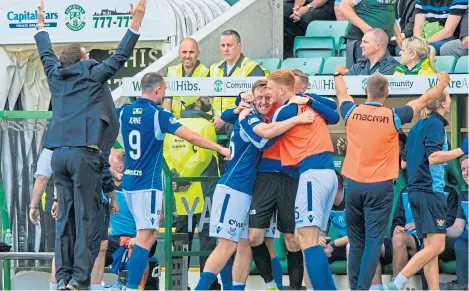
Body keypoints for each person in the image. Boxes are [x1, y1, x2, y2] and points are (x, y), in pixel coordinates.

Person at [34, 0, 144, 287]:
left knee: (65, 220)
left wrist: (41, 26)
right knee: (87, 219)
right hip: (85, 155)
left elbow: (45, 52)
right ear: (83, 59)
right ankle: (79, 280)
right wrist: (135, 24)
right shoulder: (93, 75)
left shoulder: (55, 76)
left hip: (58, 154)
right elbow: (119, 57)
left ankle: (62, 279)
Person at [333, 64, 451, 290]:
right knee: (373, 242)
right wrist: (443, 83)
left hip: (354, 186)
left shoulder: (351, 112)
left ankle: (354, 287)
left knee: (356, 242)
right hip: (379, 187)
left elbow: (341, 93)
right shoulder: (392, 115)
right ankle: (361, 289)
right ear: (386, 94)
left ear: (366, 92)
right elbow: (425, 100)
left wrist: (338, 75)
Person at [194, 80, 315, 291]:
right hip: (232, 188)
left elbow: (236, 114)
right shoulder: (248, 117)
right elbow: (264, 140)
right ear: (253, 100)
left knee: (245, 247)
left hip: (248, 191)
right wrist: (296, 121)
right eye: (259, 97)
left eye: (268, 97)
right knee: (226, 245)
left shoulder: (254, 115)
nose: (264, 101)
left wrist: (240, 101)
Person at [117, 72, 230, 291]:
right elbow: (191, 136)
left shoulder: (124, 111)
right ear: (158, 90)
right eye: (164, 90)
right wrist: (219, 147)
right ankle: (130, 287)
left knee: (146, 234)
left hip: (129, 182)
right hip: (147, 185)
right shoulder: (158, 114)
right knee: (145, 236)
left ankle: (132, 285)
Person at [244, 70, 339, 291]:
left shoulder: (284, 111)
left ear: (283, 90)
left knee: (306, 242)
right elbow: (334, 115)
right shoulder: (310, 105)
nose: (268, 91)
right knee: (312, 241)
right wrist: (308, 101)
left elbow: (265, 136)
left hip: (311, 174)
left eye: (270, 88)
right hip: (328, 174)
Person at [383, 90, 468, 290]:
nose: (450, 102)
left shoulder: (417, 127)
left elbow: (403, 163)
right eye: (448, 98)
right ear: (441, 103)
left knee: (430, 249)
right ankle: (396, 284)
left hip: (415, 192)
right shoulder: (436, 124)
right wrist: (462, 150)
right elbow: (434, 157)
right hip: (430, 192)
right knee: (436, 246)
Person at [163, 96, 221, 289]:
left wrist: (177, 178)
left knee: (180, 239)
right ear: (197, 102)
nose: (210, 100)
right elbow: (203, 157)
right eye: (207, 98)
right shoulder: (206, 125)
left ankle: (177, 284)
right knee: (206, 241)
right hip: (204, 190)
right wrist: (187, 178)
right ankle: (209, 285)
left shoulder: (173, 125)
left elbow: (166, 156)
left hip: (180, 192)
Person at [209, 30, 269, 131]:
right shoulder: (214, 68)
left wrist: (224, 120)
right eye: (223, 46)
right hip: (215, 120)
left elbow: (254, 104)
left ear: (239, 46)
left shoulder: (252, 68)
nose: (226, 49)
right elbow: (207, 99)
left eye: (229, 45)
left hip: (237, 119)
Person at [338, 0, 402, 67]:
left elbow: (388, 12)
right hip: (362, 42)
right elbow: (343, 6)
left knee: (382, 73)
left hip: (381, 42)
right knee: (361, 74)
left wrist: (397, 35)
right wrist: (367, 29)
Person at [163, 38, 210, 118]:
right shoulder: (171, 72)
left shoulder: (206, 73)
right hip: (175, 122)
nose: (187, 56)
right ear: (179, 53)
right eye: (184, 52)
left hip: (196, 121)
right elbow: (167, 102)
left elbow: (207, 107)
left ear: (198, 53)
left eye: (191, 52)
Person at [445, 155, 468, 289]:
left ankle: (462, 286)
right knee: (431, 243)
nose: (466, 172)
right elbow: (458, 227)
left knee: (461, 244)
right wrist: (438, 230)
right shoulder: (464, 194)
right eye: (463, 169)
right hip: (464, 238)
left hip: (464, 241)